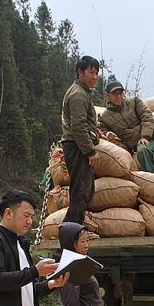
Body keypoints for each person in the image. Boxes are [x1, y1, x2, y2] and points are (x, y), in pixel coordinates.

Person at [98, 80, 154, 173]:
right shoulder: (105, 118)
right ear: (107, 95)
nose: (119, 97)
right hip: (139, 142)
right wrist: (109, 135)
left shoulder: (134, 102)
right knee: (142, 152)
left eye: (121, 93)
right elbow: (105, 135)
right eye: (115, 94)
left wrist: (144, 136)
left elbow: (147, 117)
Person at [61, 55, 101, 224]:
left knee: (85, 191)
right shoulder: (78, 95)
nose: (94, 77)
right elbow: (78, 126)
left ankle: (70, 229)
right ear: (80, 72)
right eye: (91, 72)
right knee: (81, 192)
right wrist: (90, 151)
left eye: (97, 73)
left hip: (76, 146)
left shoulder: (82, 93)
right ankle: (71, 233)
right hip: (77, 148)